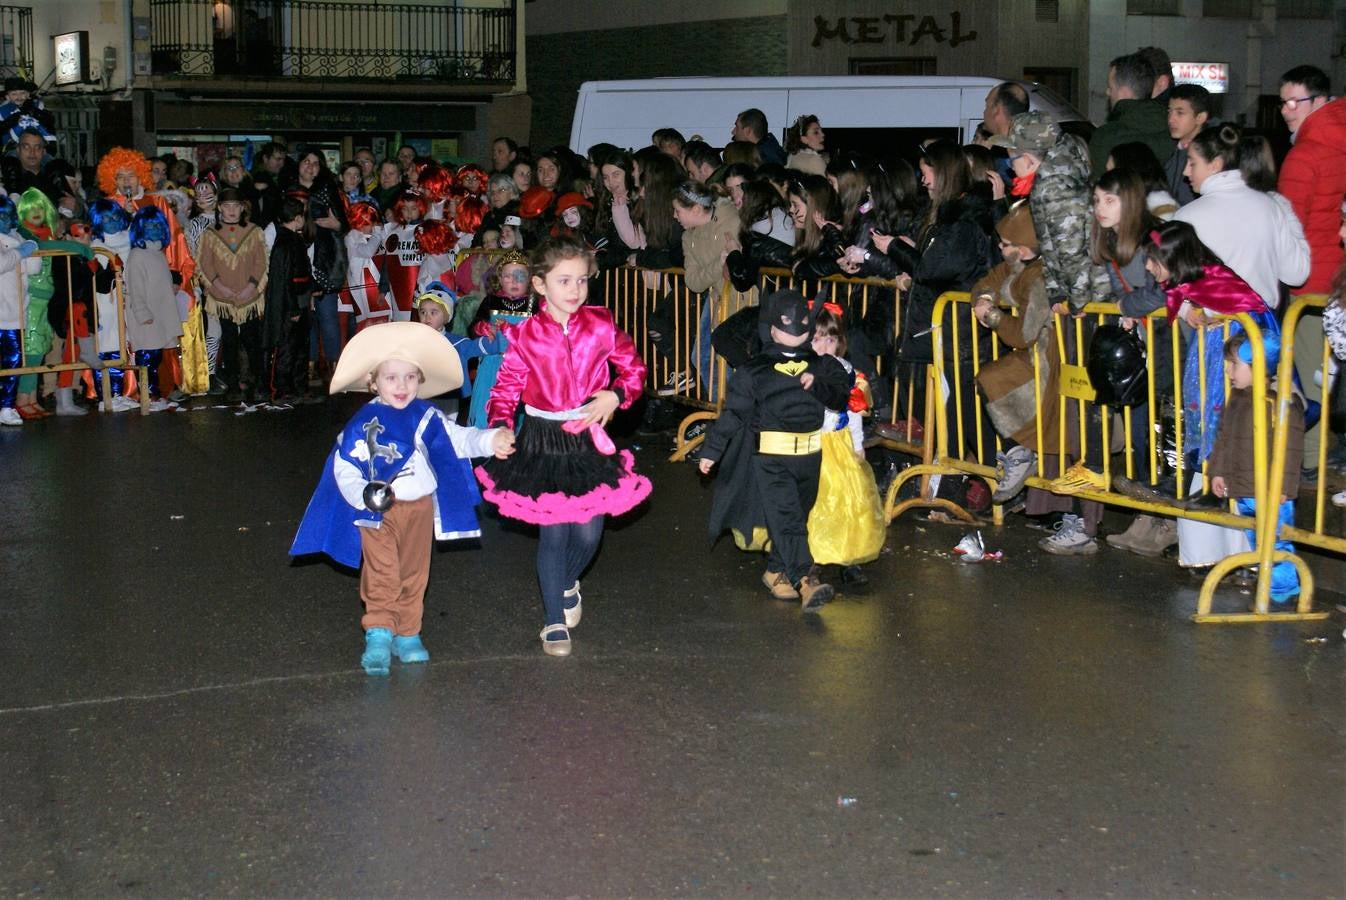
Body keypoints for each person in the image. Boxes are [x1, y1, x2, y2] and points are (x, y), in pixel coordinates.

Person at [290, 321, 515, 675]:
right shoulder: (363, 423)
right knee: (382, 571)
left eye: (411, 377)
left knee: (414, 571)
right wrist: (361, 494)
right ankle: (379, 631)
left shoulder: (427, 416)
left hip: (419, 506)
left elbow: (460, 439)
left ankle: (408, 632)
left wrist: (490, 439)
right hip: (376, 510)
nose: (402, 386)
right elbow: (344, 465)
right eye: (392, 377)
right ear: (373, 382)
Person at [475, 236, 650, 657]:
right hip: (543, 441)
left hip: (586, 437)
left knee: (589, 535)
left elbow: (634, 368)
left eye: (582, 281)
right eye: (564, 280)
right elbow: (505, 390)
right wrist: (500, 426)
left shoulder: (601, 324)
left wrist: (616, 395)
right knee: (554, 534)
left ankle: (568, 581)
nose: (575, 290)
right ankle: (554, 619)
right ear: (540, 285)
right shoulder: (525, 336)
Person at [698, 288, 852, 610]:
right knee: (787, 517)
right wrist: (712, 450)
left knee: (796, 517)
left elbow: (840, 398)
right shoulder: (754, 370)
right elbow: (734, 412)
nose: (793, 327)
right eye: (785, 322)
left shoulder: (823, 365)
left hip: (810, 457)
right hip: (771, 459)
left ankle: (774, 571)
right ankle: (806, 580)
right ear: (771, 328)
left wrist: (818, 383)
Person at [1147, 220, 1278, 572]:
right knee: (1206, 458)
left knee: (1227, 451)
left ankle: (1242, 555)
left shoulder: (1217, 281)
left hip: (1227, 375)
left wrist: (1197, 310)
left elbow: (1238, 312)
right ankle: (1207, 552)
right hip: (1210, 375)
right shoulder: (1194, 285)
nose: (1147, 266)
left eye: (1154, 259)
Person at [1276, 65, 1345, 478]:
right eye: (1282, 102)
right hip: (1340, 279)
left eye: (1294, 102)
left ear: (1319, 101)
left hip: (1312, 280)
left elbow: (1290, 225)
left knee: (1315, 373)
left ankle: (1314, 460)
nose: (1286, 111)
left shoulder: (1305, 154)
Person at [1207, 331, 1304, 605]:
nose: (1228, 372)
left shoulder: (1281, 402)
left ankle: (1283, 592)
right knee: (1256, 538)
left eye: (1234, 364)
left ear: (1258, 364)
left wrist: (1284, 487)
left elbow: (1291, 449)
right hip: (1244, 488)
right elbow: (1224, 437)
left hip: (1271, 491)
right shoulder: (1237, 399)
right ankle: (1269, 585)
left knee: (1276, 542)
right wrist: (1218, 471)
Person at [1173, 124, 1309, 310]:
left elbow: (1172, 282)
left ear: (1215, 164)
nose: (1185, 171)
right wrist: (1287, 214)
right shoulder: (1271, 207)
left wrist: (1185, 311)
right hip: (1261, 330)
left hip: (1211, 331)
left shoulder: (1186, 217)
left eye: (1193, 163)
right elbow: (1296, 273)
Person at [991, 111, 1112, 315]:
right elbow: (1050, 245)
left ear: (1029, 159)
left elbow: (1072, 250)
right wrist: (1056, 292)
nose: (1011, 167)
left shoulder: (1055, 188)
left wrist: (1077, 304)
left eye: (1012, 159)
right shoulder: (1054, 178)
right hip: (1087, 295)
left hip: (1092, 300)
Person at [805, 308, 885, 586]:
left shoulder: (848, 371)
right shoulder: (804, 371)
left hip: (840, 445)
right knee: (816, 505)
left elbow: (852, 412)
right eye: (817, 339)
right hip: (812, 445)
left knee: (851, 504)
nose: (825, 346)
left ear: (840, 342)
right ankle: (811, 559)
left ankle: (848, 558)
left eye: (831, 339)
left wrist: (858, 444)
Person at [198, 188, 271, 403]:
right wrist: (219, 287)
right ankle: (232, 385)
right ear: (219, 208)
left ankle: (258, 383)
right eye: (227, 206)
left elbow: (261, 262)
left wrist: (251, 287)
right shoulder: (210, 233)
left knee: (252, 341)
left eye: (236, 206)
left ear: (242, 208)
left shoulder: (254, 231)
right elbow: (205, 263)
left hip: (249, 297)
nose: (231, 210)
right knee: (228, 342)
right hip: (222, 298)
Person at [123, 206, 186, 412]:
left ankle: (155, 391)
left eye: (158, 226)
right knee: (147, 356)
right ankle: (148, 393)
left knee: (156, 355)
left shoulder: (157, 254)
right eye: (149, 226)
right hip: (147, 316)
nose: (154, 230)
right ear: (139, 229)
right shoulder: (137, 255)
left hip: (160, 314)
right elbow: (135, 287)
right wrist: (142, 313)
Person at [467, 249, 534, 427]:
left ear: (529, 279)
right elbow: (472, 328)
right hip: (492, 367)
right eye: (507, 276)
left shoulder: (534, 304)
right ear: (499, 278)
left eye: (520, 276)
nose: (513, 281)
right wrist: (483, 327)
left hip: (522, 369)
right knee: (485, 408)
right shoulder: (491, 301)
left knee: (519, 412)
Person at [262, 196, 313, 404]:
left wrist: (312, 287)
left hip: (300, 300)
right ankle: (282, 390)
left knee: (300, 347)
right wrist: (293, 308)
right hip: (291, 305)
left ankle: (299, 388)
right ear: (298, 218)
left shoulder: (293, 240)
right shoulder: (285, 242)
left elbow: (300, 272)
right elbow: (285, 279)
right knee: (287, 348)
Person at [1089, 52, 1172, 178]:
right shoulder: (1175, 131)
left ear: (1124, 92)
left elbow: (1099, 186)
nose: (1107, 92)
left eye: (1111, 87)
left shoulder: (1105, 137)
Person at [0, 196, 39, 427]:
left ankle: (6, 405)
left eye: (6, 216)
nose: (3, 221)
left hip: (15, 314)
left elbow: (33, 268)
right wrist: (21, 252)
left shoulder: (16, 237)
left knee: (14, 362)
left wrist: (27, 245)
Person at [1163, 84, 1211, 207]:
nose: (1171, 119)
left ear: (1200, 117)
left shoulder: (1209, 156)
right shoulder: (1172, 151)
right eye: (1169, 111)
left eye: (1180, 113)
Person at [0, 77, 55, 147]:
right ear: (7, 97)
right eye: (14, 94)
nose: (19, 97)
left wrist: (33, 111)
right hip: (12, 148)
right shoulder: (2, 110)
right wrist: (11, 121)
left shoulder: (37, 105)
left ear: (28, 94)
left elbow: (50, 122)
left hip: (38, 146)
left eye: (22, 93)